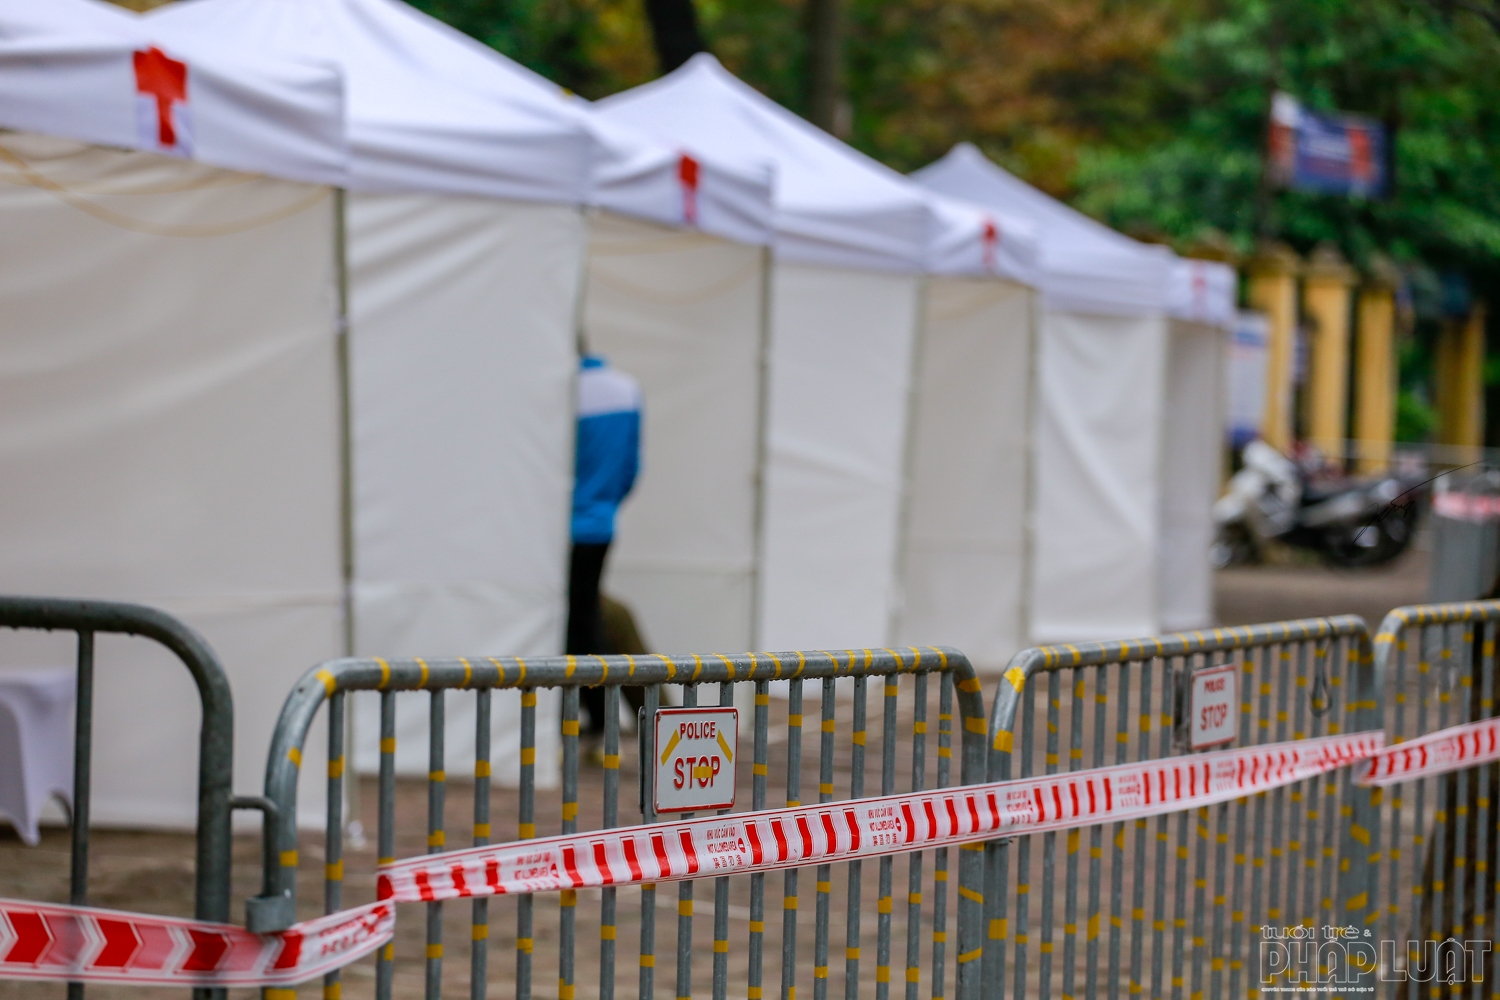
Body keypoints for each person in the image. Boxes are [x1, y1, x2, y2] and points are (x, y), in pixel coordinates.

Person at [568, 354, 642, 733]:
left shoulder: (563, 391)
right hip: (599, 525)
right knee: (588, 616)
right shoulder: (625, 389)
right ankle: (602, 716)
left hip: (559, 531)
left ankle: (592, 716)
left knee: (573, 622)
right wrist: (604, 504)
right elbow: (631, 468)